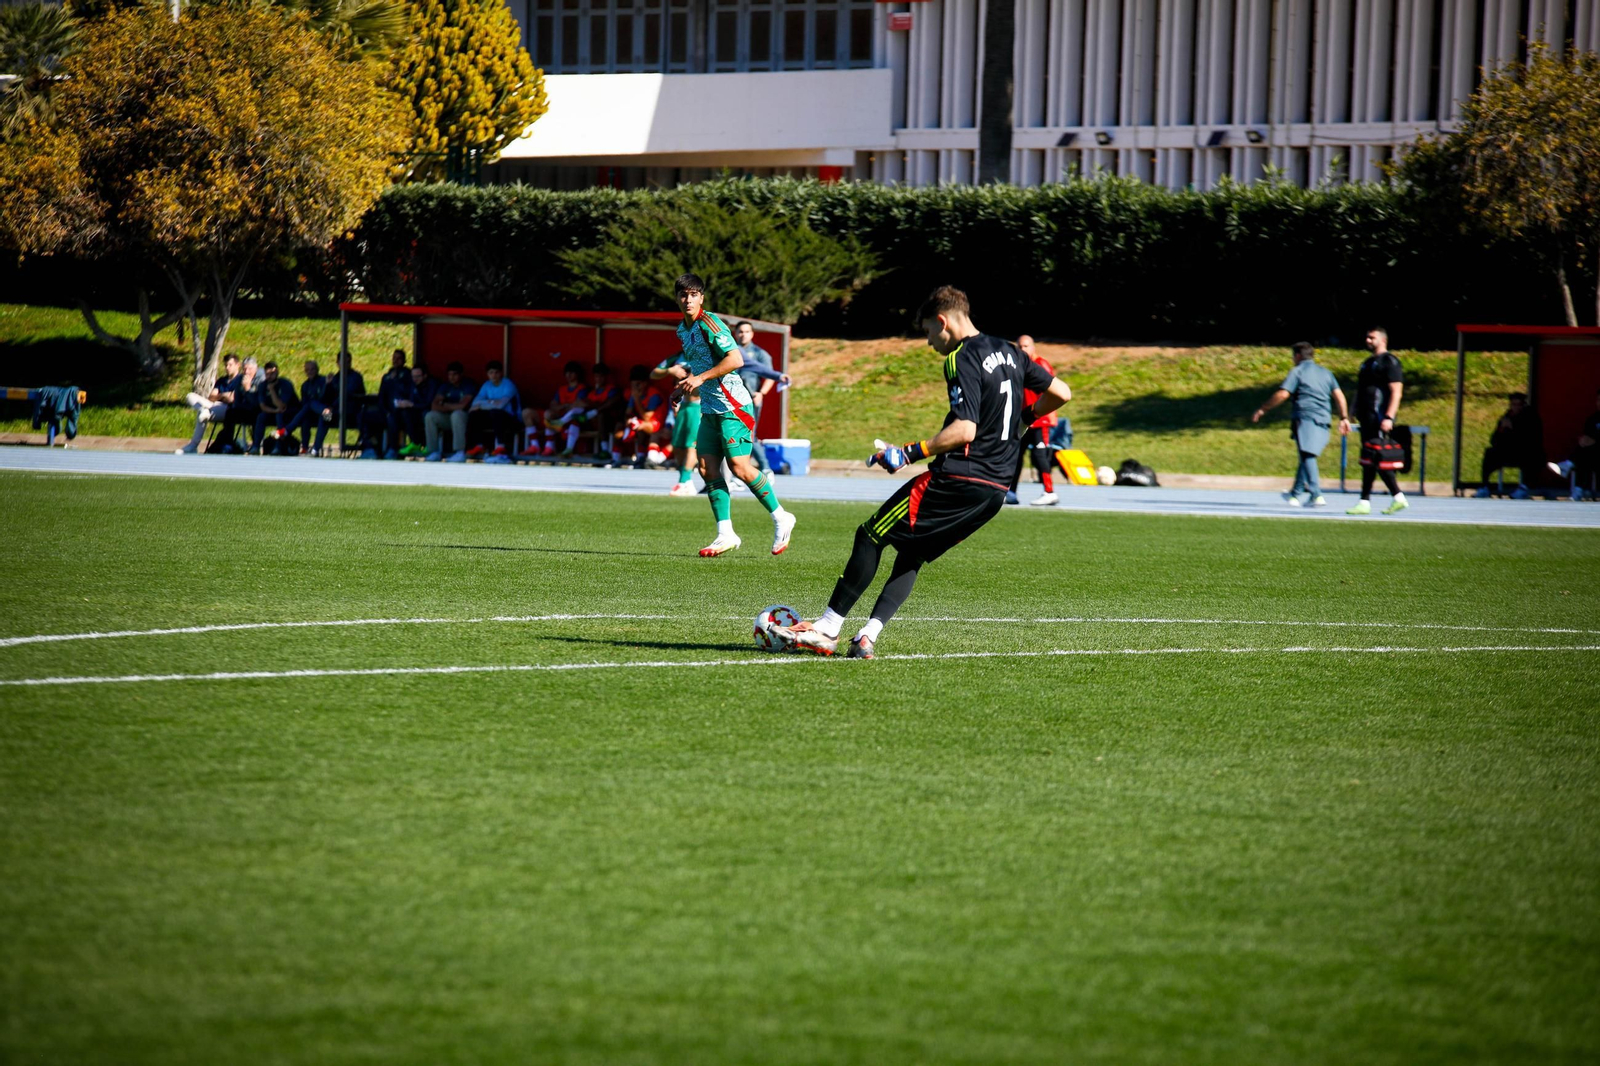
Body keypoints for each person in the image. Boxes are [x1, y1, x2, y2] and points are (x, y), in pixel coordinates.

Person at [774, 285, 1070, 657]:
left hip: (957, 478)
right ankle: (867, 636)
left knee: (870, 535)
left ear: (943, 321)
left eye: (929, 331)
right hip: (995, 490)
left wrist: (907, 453)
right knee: (912, 554)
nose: (929, 342)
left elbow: (965, 429)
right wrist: (1023, 420)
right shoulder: (1012, 352)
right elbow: (1061, 392)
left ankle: (828, 627)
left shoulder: (961, 356)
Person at [664, 272, 795, 556]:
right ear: (677, 298)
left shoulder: (710, 323)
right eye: (683, 295)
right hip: (710, 406)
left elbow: (735, 359)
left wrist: (698, 380)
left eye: (694, 294)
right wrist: (683, 387)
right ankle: (726, 533)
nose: (688, 300)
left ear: (702, 297)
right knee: (707, 468)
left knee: (739, 468)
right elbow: (700, 366)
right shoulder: (682, 330)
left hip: (734, 404)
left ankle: (781, 516)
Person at [1251, 341, 1348, 507]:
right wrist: (1343, 417)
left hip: (1305, 417)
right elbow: (1339, 395)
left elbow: (1282, 394)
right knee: (1307, 455)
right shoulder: (1326, 373)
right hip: (1324, 418)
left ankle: (1316, 494)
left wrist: (1263, 409)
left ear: (1297, 356)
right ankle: (1295, 494)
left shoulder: (1298, 371)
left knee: (1308, 455)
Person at [1347, 327, 1408, 515]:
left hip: (1379, 417)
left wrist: (1389, 416)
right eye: (1367, 336)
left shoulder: (1390, 362)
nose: (1367, 340)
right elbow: (1361, 389)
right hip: (1367, 417)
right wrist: (1351, 412)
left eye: (1371, 337)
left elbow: (1396, 392)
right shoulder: (1367, 363)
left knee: (1377, 458)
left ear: (1382, 340)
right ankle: (1366, 501)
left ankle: (1397, 497)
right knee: (1368, 459)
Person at [1009, 334, 1070, 506]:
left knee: (1039, 455)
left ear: (1033, 348)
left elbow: (1052, 392)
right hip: (1023, 419)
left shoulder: (1040, 365)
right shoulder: (1016, 366)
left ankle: (1049, 492)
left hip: (1039, 419)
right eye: (1019, 346)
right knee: (1017, 455)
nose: (1022, 350)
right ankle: (1011, 492)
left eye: (1026, 346)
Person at [1474, 393, 1545, 499]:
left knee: (1532, 455)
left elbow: (1530, 439)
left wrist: (1513, 428)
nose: (1516, 407)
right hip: (1509, 451)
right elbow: (1494, 440)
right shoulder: (1507, 417)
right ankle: (1484, 486)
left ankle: (1524, 488)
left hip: (1526, 452)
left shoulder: (1531, 417)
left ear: (1523, 405)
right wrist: (1501, 429)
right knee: (1490, 452)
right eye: (1513, 404)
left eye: (1518, 405)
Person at [652, 351, 700, 494]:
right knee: (678, 445)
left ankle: (683, 481)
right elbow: (654, 374)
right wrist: (669, 370)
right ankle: (688, 483)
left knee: (692, 445)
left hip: (700, 405)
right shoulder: (677, 357)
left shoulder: (704, 354)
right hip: (683, 404)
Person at [177, 354, 242, 454]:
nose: (227, 368)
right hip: (213, 405)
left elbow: (232, 399)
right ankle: (203, 410)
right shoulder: (221, 380)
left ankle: (193, 445)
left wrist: (219, 396)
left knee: (202, 414)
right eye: (226, 365)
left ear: (238, 365)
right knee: (190, 396)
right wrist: (222, 395)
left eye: (230, 365)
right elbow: (211, 397)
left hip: (228, 409)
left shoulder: (240, 379)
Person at [1547, 388, 1600, 500]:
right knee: (1586, 456)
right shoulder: (1593, 419)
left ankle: (1568, 466)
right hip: (1593, 454)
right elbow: (1587, 436)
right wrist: (1584, 440)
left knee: (1586, 454)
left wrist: (1595, 440)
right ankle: (1578, 488)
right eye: (1599, 400)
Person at [465, 360, 521, 460]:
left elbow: (500, 405)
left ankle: (501, 447)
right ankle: (479, 445)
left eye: (496, 372)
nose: (494, 375)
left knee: (496, 413)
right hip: (494, 418)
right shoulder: (486, 385)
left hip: (513, 420)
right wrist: (492, 402)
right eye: (491, 373)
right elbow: (475, 404)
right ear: (487, 374)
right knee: (474, 414)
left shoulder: (508, 385)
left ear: (501, 373)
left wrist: (485, 403)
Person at [531, 361, 589, 457]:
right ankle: (549, 447)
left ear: (577, 374)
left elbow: (578, 405)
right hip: (561, 415)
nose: (569, 375)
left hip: (579, 419)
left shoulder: (582, 388)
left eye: (571, 372)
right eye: (567, 372)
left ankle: (567, 446)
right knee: (548, 414)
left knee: (575, 414)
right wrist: (565, 406)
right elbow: (553, 405)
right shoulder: (562, 389)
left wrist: (564, 406)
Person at [613, 365, 667, 467]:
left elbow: (647, 417)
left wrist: (636, 399)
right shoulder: (634, 393)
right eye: (633, 385)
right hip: (641, 422)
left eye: (638, 384)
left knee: (640, 426)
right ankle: (615, 458)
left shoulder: (654, 395)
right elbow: (628, 412)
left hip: (658, 424)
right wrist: (628, 421)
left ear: (645, 383)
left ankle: (641, 458)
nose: (635, 387)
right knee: (619, 428)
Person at [424, 362, 475, 462]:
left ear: (461, 374)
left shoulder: (468, 385)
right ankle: (434, 451)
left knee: (457, 414)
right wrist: (451, 407)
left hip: (465, 418)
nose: (452, 377)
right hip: (448, 417)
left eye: (455, 374)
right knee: (430, 416)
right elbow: (434, 405)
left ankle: (459, 452)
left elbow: (462, 406)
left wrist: (445, 405)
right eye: (450, 374)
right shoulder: (445, 386)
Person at [250, 361, 299, 454]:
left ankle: (279, 446)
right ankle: (256, 446)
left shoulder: (285, 384)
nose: (270, 376)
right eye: (267, 374)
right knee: (261, 416)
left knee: (279, 415)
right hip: (274, 411)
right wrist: (274, 410)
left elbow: (281, 405)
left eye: (272, 373)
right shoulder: (262, 385)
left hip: (290, 412)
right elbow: (263, 406)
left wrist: (272, 390)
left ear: (277, 372)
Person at [375, 349, 415, 459]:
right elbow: (381, 396)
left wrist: (395, 381)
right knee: (367, 416)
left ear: (404, 360)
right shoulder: (387, 376)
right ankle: (371, 448)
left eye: (399, 358)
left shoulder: (408, 375)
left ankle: (393, 449)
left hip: (402, 411)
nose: (395, 361)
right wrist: (384, 410)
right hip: (387, 410)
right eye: (394, 358)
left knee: (394, 419)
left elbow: (408, 393)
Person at [282, 360, 328, 455]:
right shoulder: (305, 385)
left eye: (312, 369)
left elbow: (327, 398)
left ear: (317, 370)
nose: (310, 372)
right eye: (307, 370)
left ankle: (288, 429)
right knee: (305, 418)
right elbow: (304, 405)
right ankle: (305, 448)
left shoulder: (324, 381)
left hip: (327, 412)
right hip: (313, 413)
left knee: (312, 405)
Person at [395, 365, 436, 457]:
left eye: (418, 376)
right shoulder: (413, 385)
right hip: (417, 410)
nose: (415, 379)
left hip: (430, 411)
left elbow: (429, 403)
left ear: (425, 376)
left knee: (426, 415)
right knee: (405, 413)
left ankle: (427, 445)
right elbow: (411, 400)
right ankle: (415, 443)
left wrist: (412, 405)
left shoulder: (432, 384)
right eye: (413, 376)